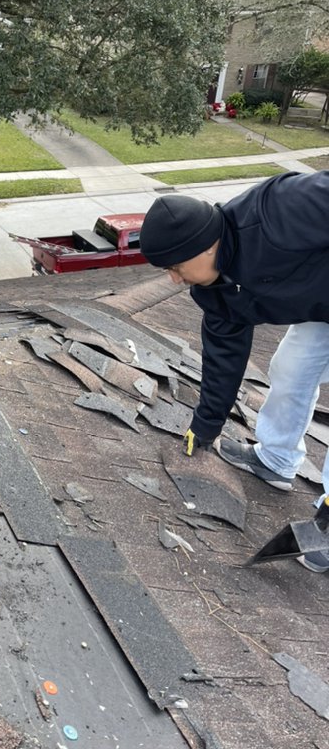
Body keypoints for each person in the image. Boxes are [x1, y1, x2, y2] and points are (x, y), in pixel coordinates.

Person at [139, 174, 329, 573]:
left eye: (176, 267)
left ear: (206, 246)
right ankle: (276, 460)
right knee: (290, 369)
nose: (173, 279)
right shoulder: (214, 291)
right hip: (321, 305)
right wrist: (205, 425)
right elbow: (224, 356)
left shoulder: (278, 210)